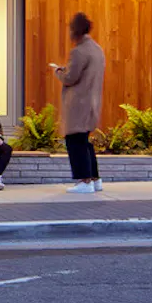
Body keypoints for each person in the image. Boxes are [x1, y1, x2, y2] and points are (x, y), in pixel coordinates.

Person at [54, 12, 107, 194]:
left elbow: (70, 77)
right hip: (92, 102)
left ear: (75, 30)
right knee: (84, 141)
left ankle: (84, 181)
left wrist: (58, 71)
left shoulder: (79, 51)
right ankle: (95, 179)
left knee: (74, 141)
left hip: (78, 103)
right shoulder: (97, 49)